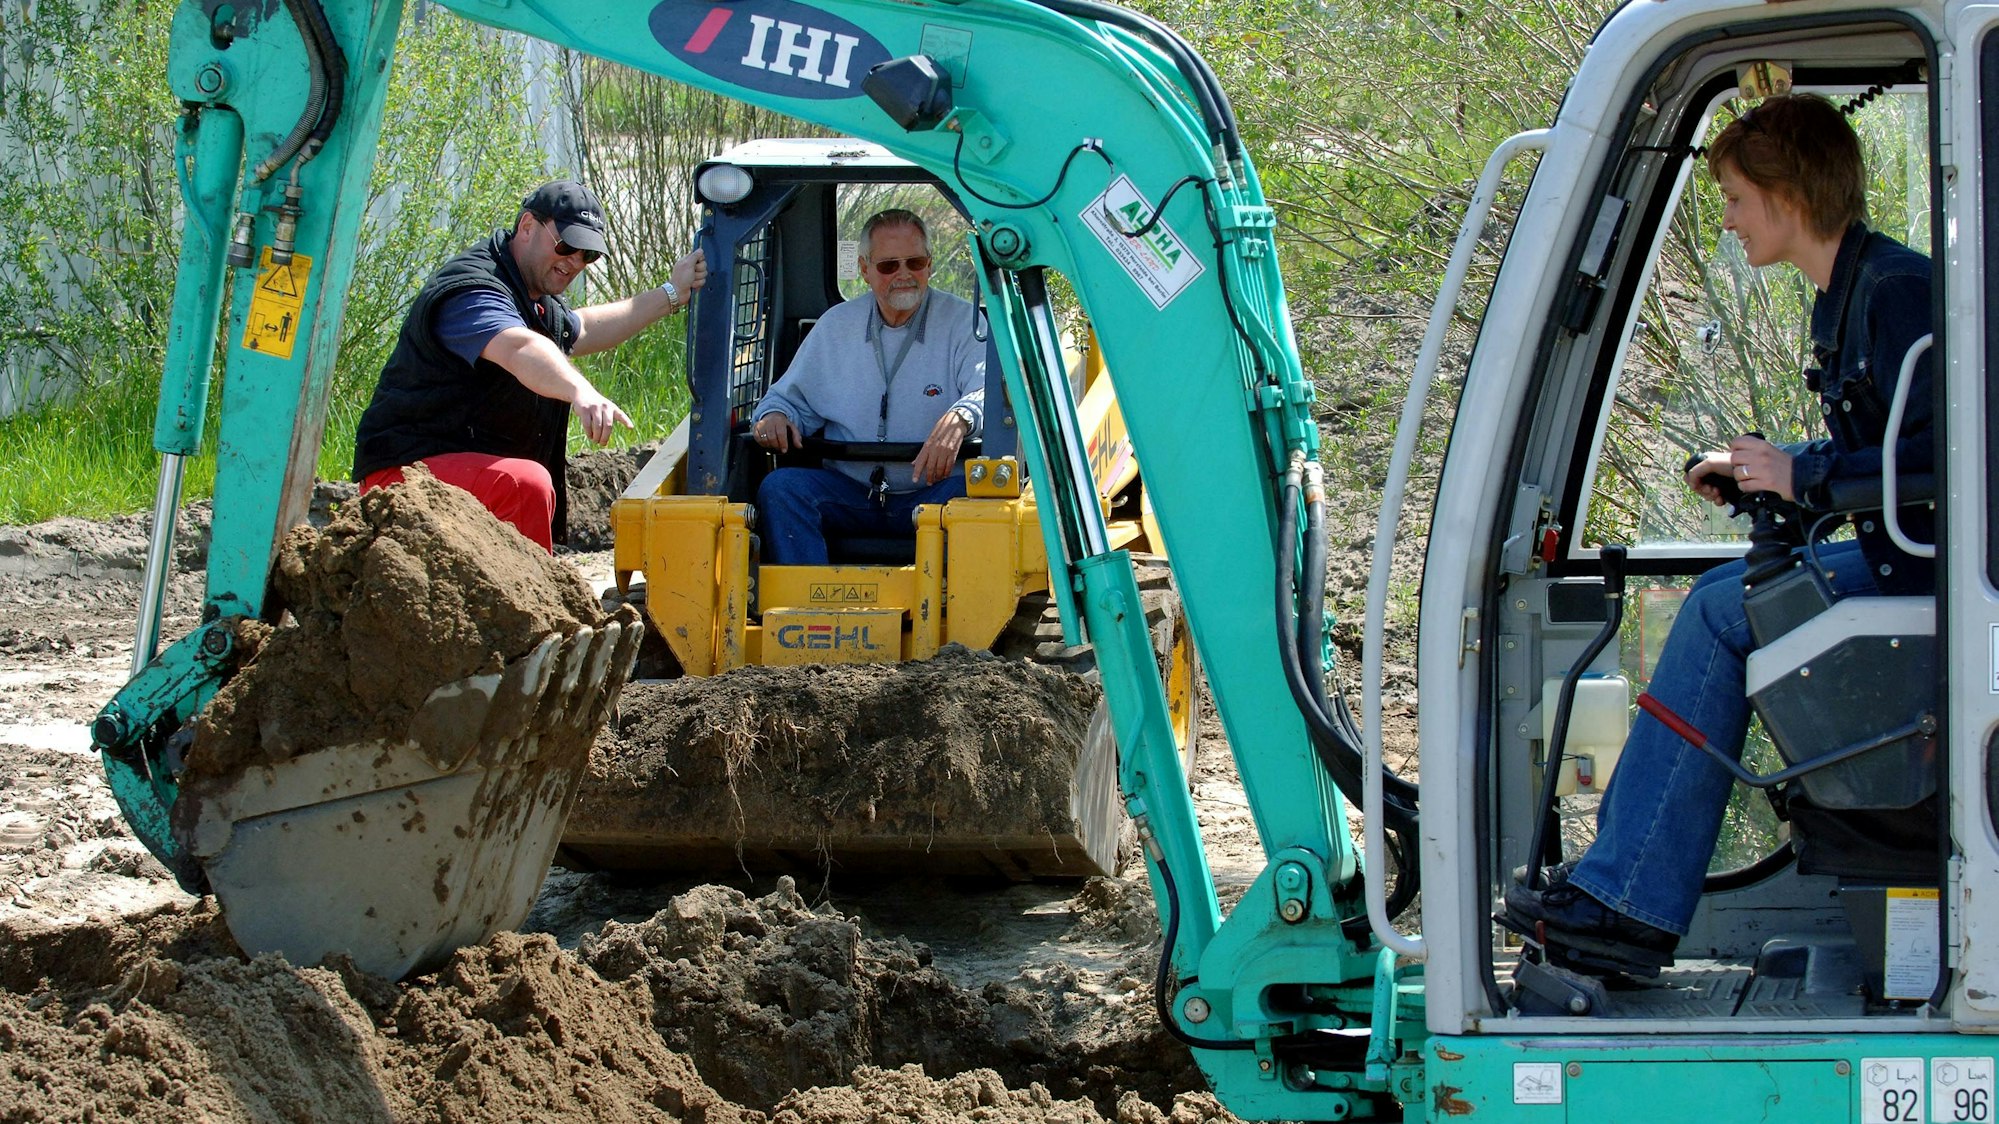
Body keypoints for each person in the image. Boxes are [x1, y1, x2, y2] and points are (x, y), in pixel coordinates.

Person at [1502, 94, 1935, 968]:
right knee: (1720, 598)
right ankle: (1623, 884)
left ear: (1789, 194)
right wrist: (1770, 468)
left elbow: (1951, 460)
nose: (1730, 220)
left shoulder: (1897, 294)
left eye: (1737, 198)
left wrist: (1802, 476)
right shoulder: (1851, 293)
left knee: (1716, 610)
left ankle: (1626, 900)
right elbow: (1888, 449)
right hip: (1908, 561)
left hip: (1935, 577)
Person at [351, 180, 708, 551]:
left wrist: (672, 293)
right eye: (567, 245)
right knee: (525, 485)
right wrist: (580, 390)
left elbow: (584, 328)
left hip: (461, 471)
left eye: (587, 255)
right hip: (405, 477)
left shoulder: (532, 296)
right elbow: (519, 347)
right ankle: (531, 589)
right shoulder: (473, 290)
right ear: (526, 226)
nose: (575, 262)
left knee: (526, 483)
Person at [748, 208, 985, 565]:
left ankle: (953, 597)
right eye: (889, 266)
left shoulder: (964, 322)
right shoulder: (835, 327)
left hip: (933, 495)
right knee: (781, 489)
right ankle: (810, 595)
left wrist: (960, 418)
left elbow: (987, 391)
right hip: (851, 493)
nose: (904, 275)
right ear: (864, 269)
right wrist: (775, 417)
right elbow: (786, 400)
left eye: (915, 263)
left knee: (983, 491)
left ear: (930, 264)